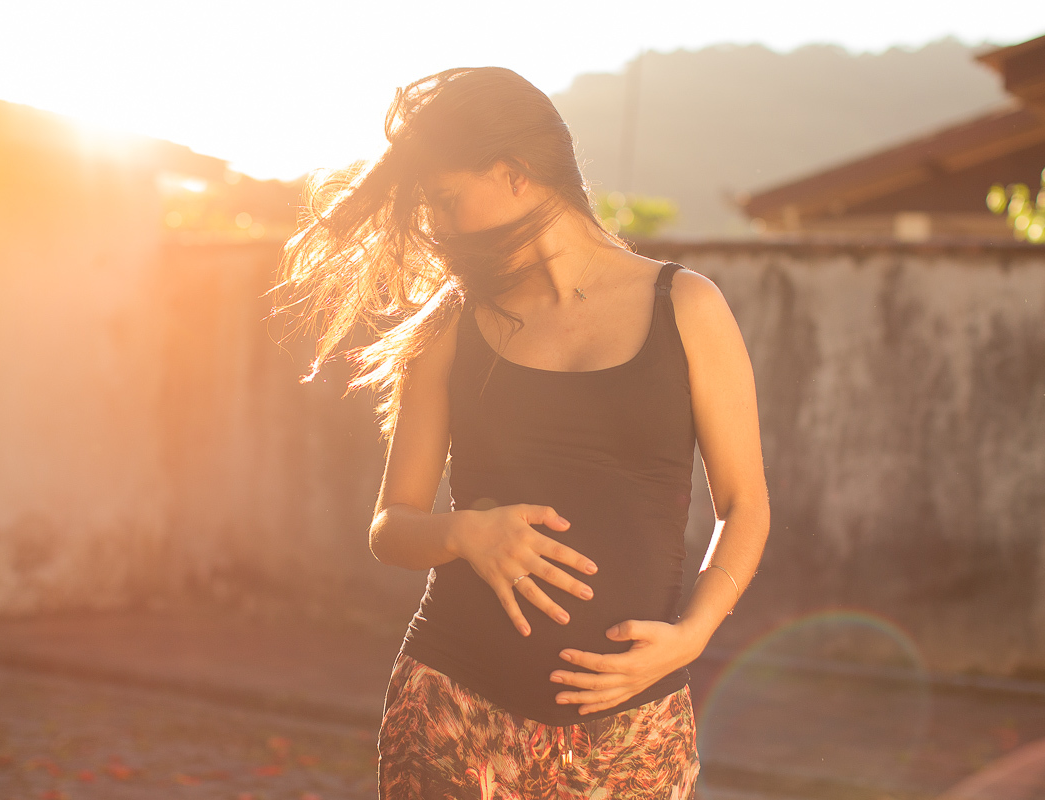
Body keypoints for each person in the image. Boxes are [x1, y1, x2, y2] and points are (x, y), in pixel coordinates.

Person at [272, 66, 770, 800]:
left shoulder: (687, 307)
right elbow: (392, 525)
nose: (438, 229)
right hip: (452, 712)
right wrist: (467, 534)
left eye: (445, 201)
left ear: (514, 173)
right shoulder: (451, 324)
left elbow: (745, 504)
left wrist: (693, 635)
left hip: (631, 731)